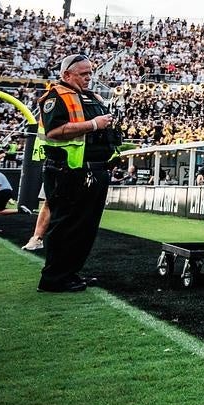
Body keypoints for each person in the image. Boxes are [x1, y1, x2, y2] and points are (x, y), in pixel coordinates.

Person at [35, 54, 121, 293]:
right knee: (67, 225)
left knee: (85, 227)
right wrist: (94, 124)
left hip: (93, 169)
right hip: (69, 171)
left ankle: (70, 272)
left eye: (90, 73)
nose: (88, 78)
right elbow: (54, 131)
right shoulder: (55, 96)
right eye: (83, 74)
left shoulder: (91, 96)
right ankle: (54, 278)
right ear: (66, 75)